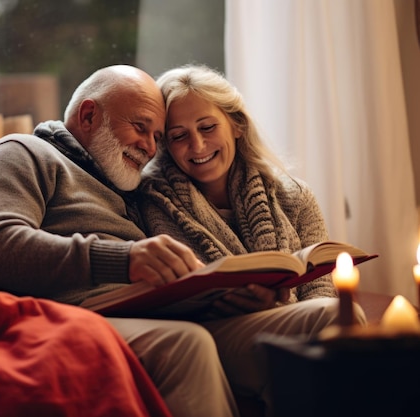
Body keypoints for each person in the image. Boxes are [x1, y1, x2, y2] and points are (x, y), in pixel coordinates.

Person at [0, 64, 241, 417]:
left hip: (146, 314)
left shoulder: (130, 188)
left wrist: (229, 296)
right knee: (186, 344)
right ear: (89, 115)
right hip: (66, 320)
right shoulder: (25, 152)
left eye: (157, 136)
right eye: (140, 127)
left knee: (313, 318)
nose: (150, 148)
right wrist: (124, 258)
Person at [137, 63, 367, 413]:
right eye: (178, 135)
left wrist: (274, 306)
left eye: (208, 127)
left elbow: (321, 287)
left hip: (283, 320)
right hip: (210, 337)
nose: (196, 145)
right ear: (166, 145)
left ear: (237, 125)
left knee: (336, 313)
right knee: (328, 317)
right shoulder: (149, 202)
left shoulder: (293, 196)